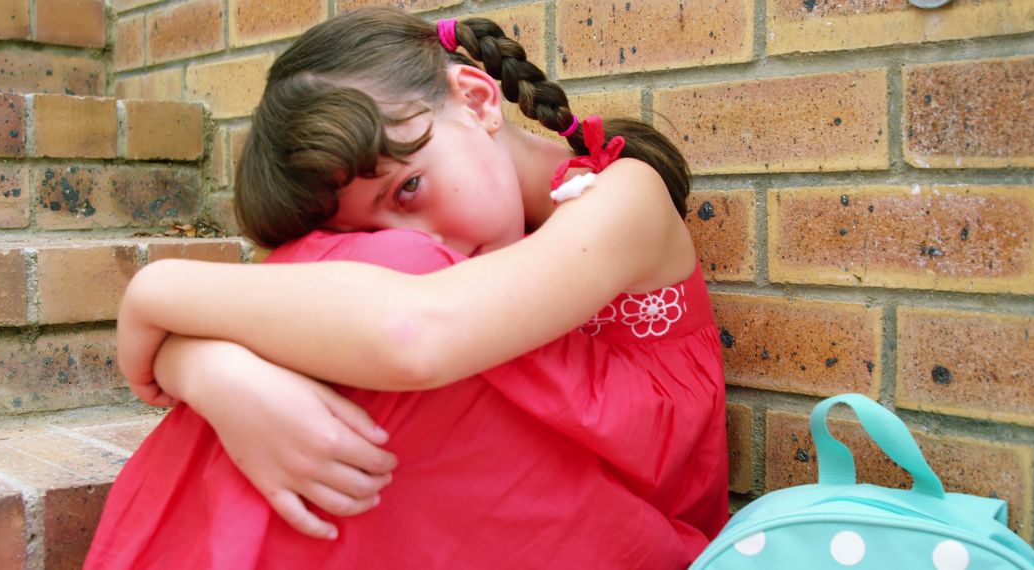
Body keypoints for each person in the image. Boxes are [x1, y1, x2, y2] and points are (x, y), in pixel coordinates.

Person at [86, 7, 727, 569]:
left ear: (477, 100)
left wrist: (157, 289)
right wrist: (216, 373)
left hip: (629, 517)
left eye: (408, 188)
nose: (427, 244)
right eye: (368, 228)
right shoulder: (455, 252)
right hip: (506, 498)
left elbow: (413, 335)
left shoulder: (623, 196)